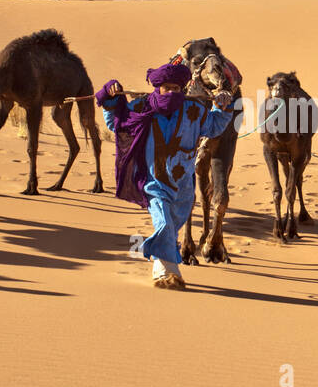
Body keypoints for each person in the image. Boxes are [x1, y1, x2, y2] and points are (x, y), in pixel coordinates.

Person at [96, 61, 235, 289]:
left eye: (176, 89)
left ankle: (160, 267)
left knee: (172, 226)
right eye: (166, 88)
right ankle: (169, 272)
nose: (171, 92)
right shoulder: (141, 108)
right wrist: (109, 97)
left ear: (183, 89)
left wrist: (222, 107)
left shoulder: (195, 110)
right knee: (163, 224)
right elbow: (115, 123)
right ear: (157, 87)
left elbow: (214, 127)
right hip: (154, 181)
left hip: (184, 186)